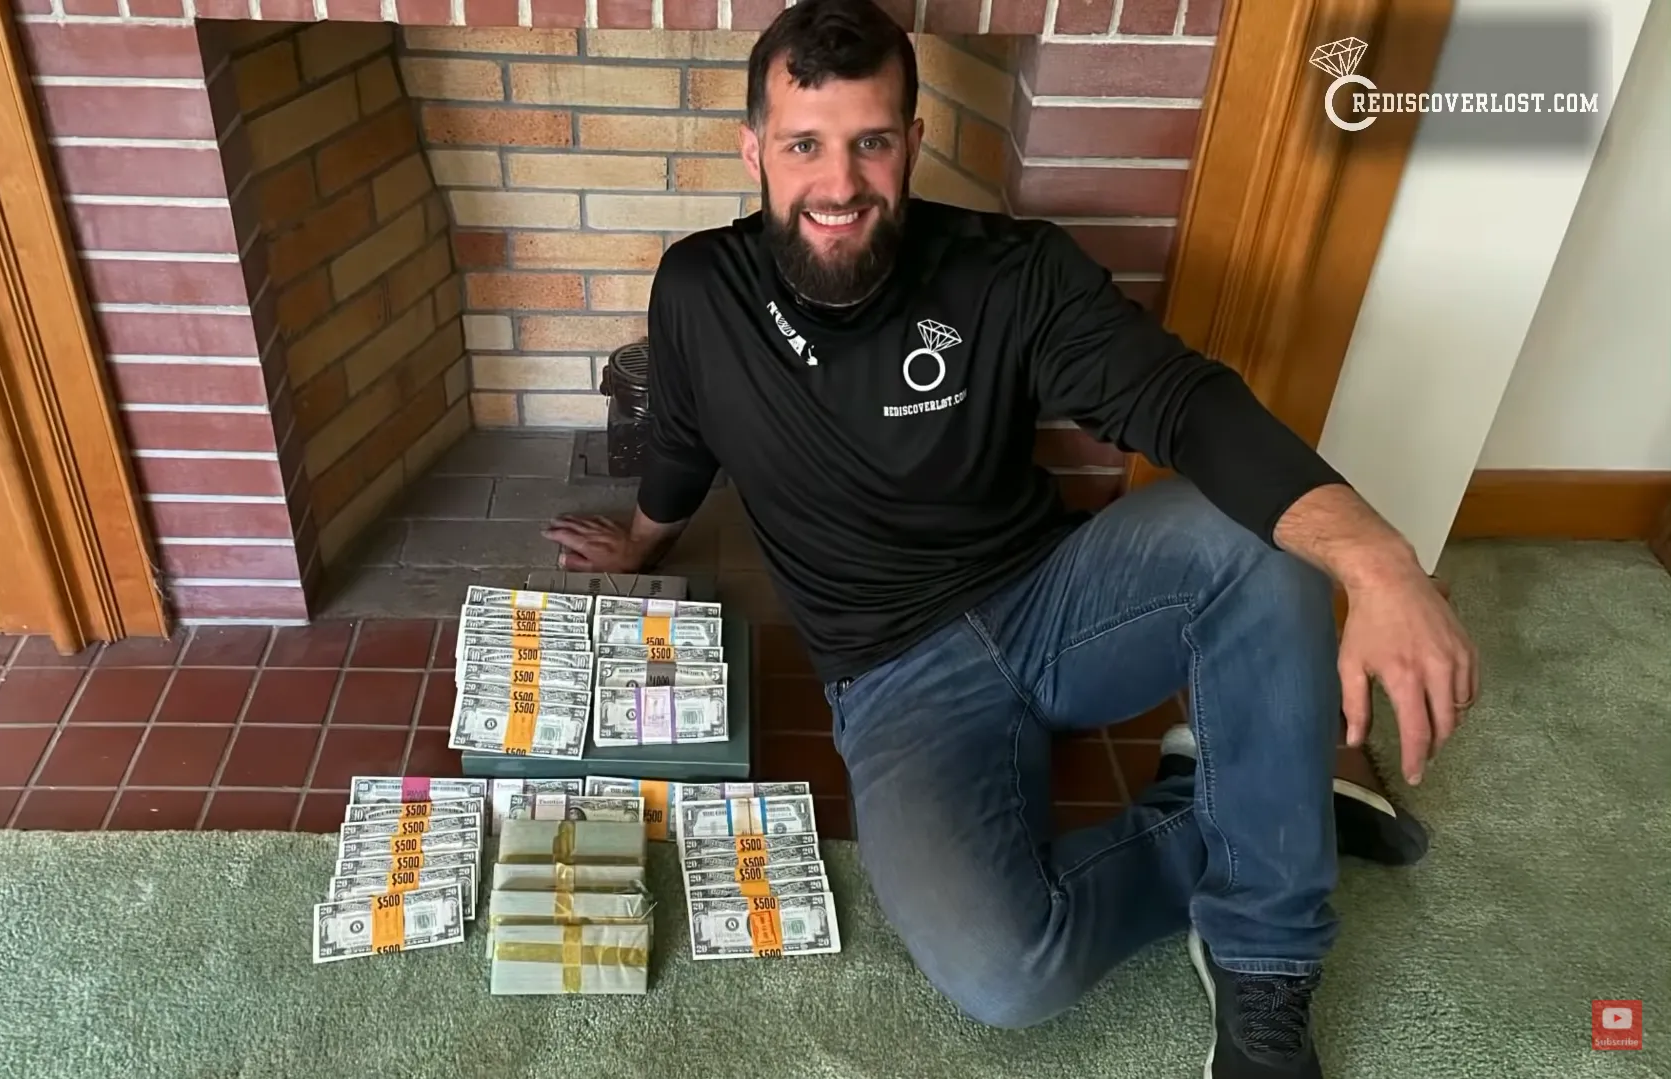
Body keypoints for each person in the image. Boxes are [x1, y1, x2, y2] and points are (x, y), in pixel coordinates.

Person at [543, 0, 1478, 1074]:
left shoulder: (1007, 270)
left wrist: (1377, 559)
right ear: (753, 149)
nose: (839, 183)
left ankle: (1264, 951)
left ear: (911, 142)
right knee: (1004, 970)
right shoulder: (699, 289)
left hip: (1055, 600)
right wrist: (642, 543)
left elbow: (1182, 401)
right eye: (804, 145)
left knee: (1260, 539)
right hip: (892, 675)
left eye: (870, 142)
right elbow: (681, 442)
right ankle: (1264, 801)